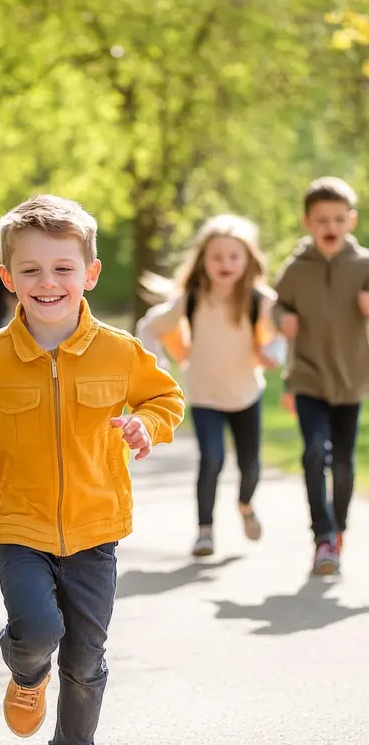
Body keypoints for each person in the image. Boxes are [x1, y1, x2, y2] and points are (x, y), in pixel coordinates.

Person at [0, 194, 185, 745]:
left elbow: (166, 397)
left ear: (90, 274)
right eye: (33, 270)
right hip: (18, 521)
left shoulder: (119, 351)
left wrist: (147, 426)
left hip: (97, 528)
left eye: (63, 268)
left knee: (85, 657)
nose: (49, 283)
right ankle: (24, 672)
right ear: (8, 277)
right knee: (39, 633)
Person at [137, 215, 284, 558]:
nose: (225, 264)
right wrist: (158, 364)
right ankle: (205, 532)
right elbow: (149, 327)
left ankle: (245, 505)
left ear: (248, 260)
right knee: (212, 459)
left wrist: (273, 353)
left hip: (246, 393)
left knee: (250, 465)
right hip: (204, 394)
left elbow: (278, 336)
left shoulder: (261, 300)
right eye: (217, 256)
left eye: (234, 257)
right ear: (203, 260)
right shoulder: (191, 299)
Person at [273, 177, 369, 576]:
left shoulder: (364, 265)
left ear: (351, 220)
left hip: (351, 379)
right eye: (321, 219)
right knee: (314, 452)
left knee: (344, 464)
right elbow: (278, 306)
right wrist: (283, 320)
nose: (329, 226)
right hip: (308, 376)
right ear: (307, 223)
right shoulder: (295, 270)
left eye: (337, 218)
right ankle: (323, 537)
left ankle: (339, 530)